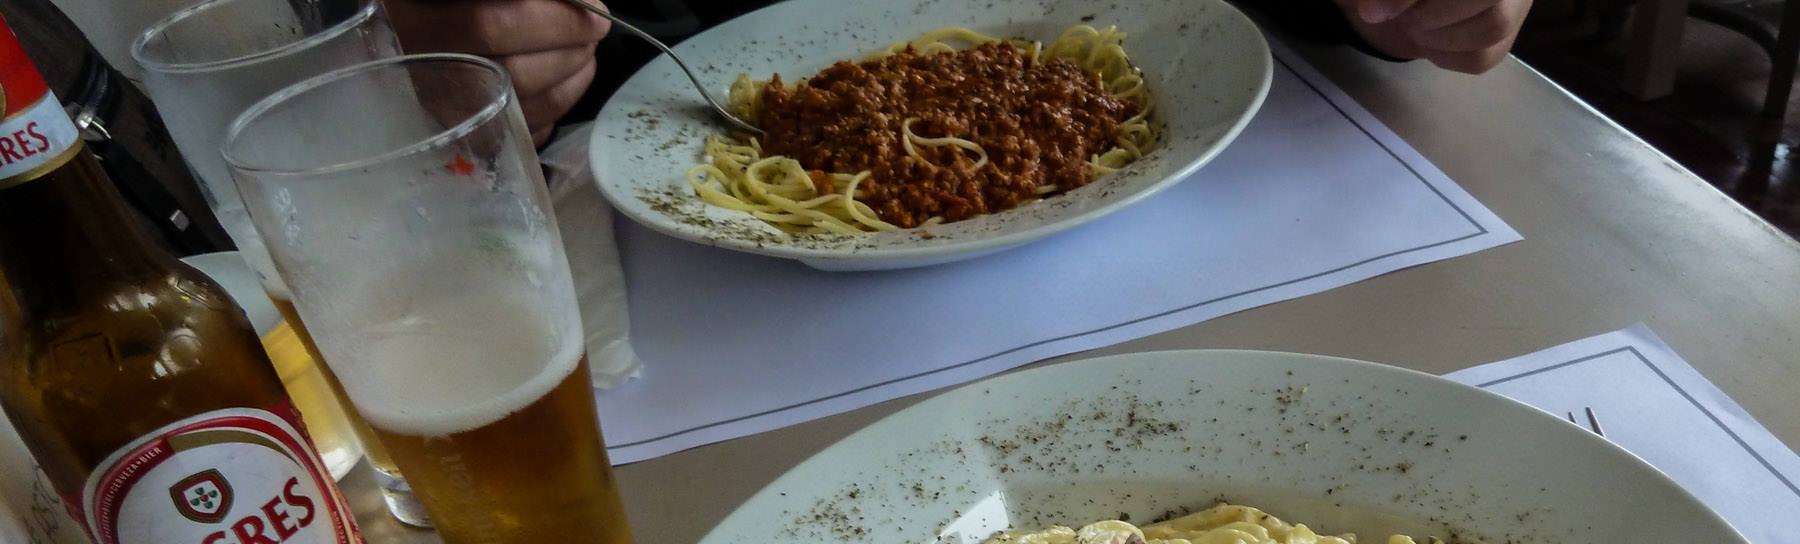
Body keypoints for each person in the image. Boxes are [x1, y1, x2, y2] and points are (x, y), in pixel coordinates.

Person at [381, 0, 1534, 144]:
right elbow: (449, 44)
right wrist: (462, 53)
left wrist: (1394, 15)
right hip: (722, 328)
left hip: (1242, 197)